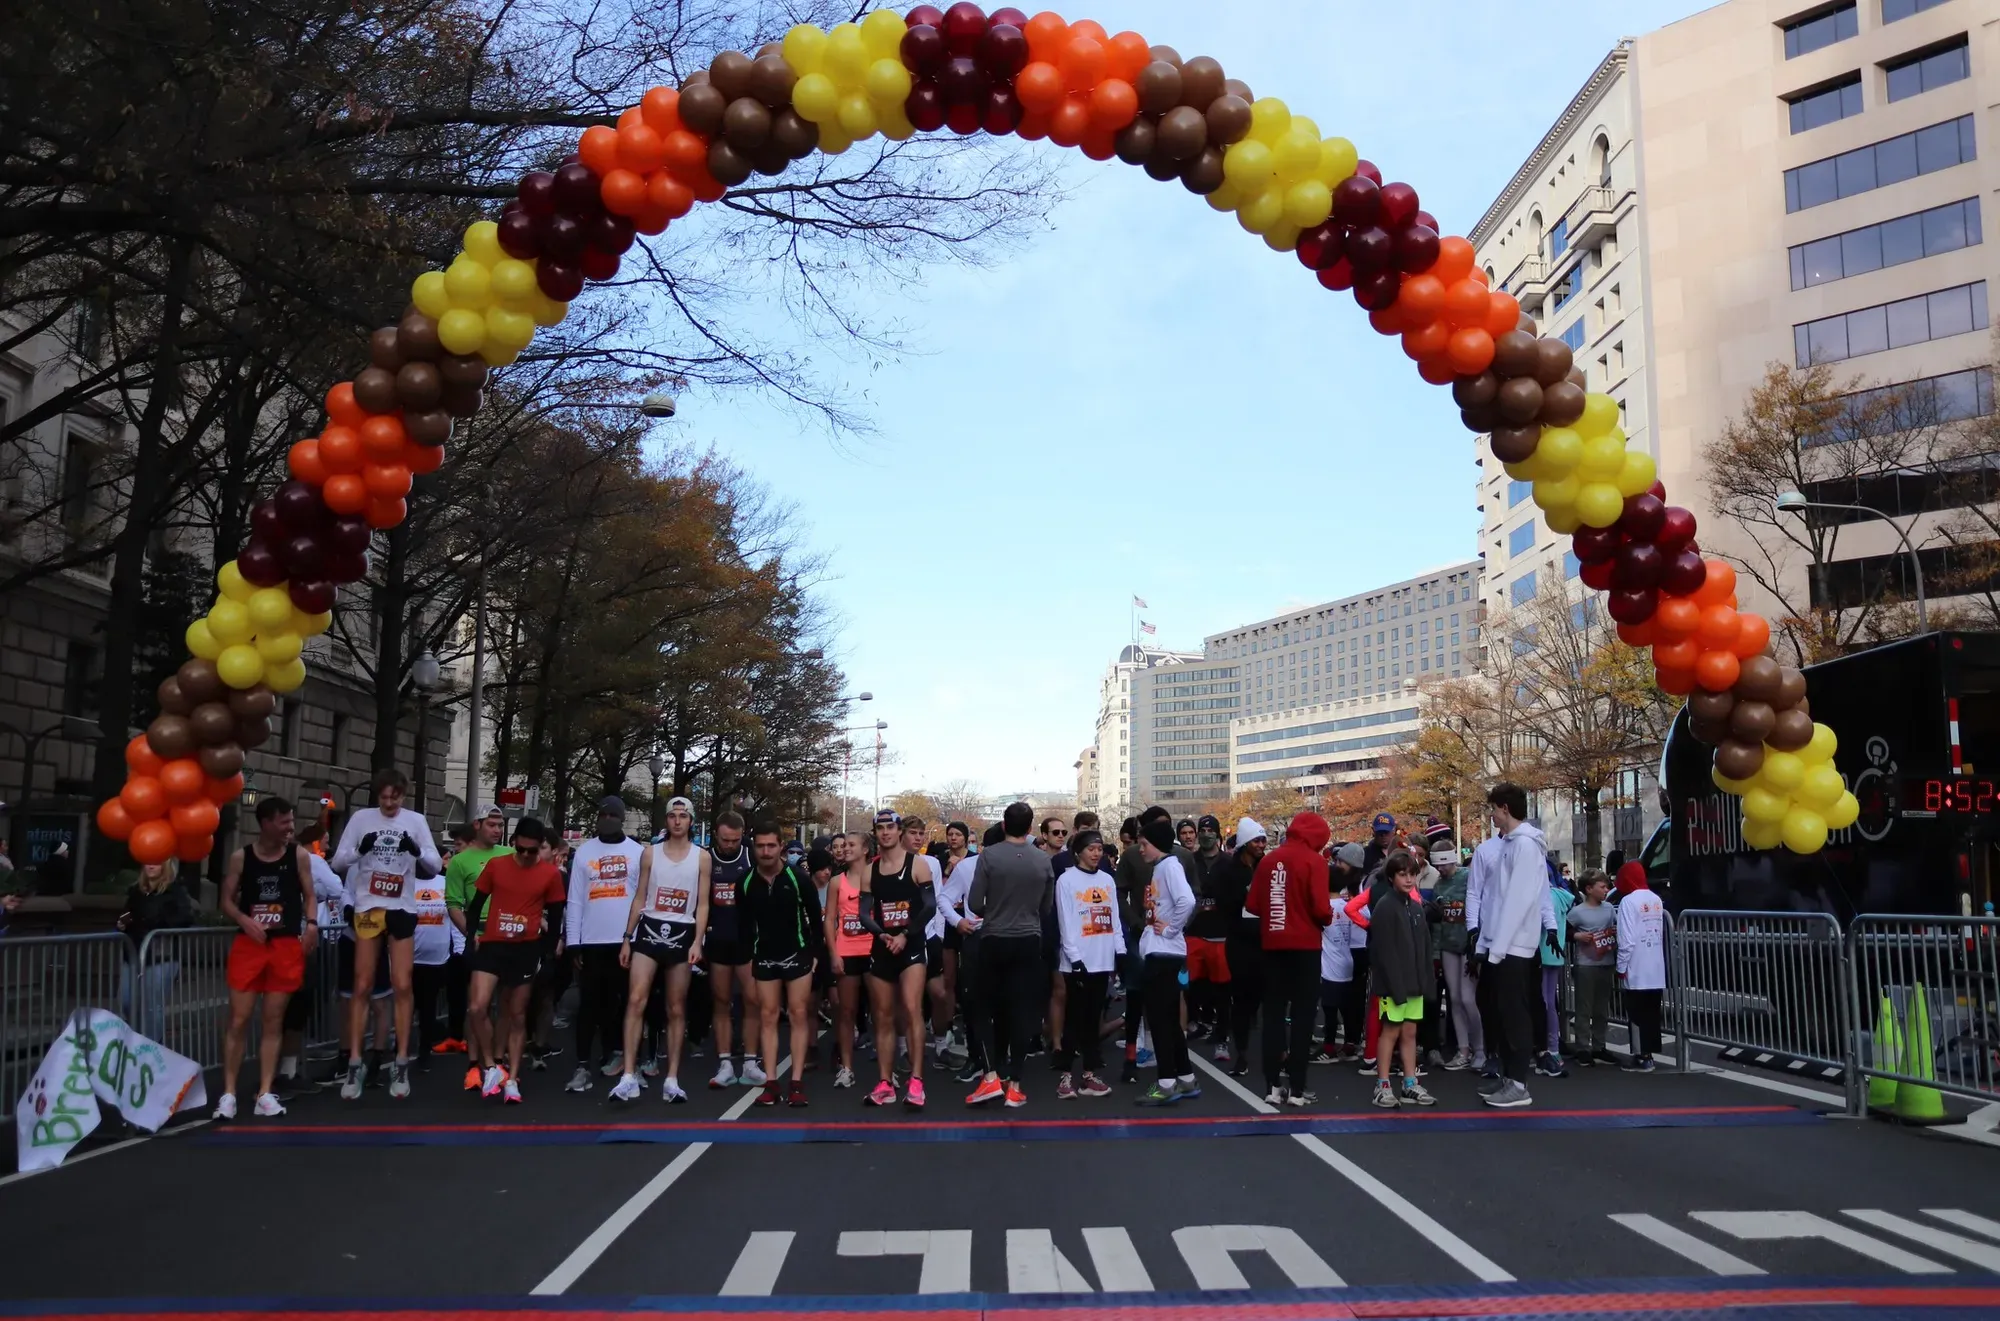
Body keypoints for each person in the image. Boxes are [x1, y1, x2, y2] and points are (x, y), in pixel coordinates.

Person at [330, 768, 442, 1101]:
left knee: (403, 985)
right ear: (377, 796)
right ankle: (354, 1062)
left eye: (395, 797)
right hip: (368, 907)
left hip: (402, 909)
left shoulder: (416, 820)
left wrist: (417, 851)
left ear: (403, 796)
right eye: (384, 797)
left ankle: (401, 1061)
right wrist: (359, 851)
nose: (389, 803)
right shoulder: (361, 819)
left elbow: (435, 865)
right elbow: (337, 864)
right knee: (362, 985)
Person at [215, 796, 318, 1119]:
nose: (290, 827)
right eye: (284, 822)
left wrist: (312, 924)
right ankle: (229, 1093)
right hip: (250, 945)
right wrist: (244, 919)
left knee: (274, 1020)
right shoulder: (241, 858)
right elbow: (226, 900)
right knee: (239, 1018)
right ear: (266, 823)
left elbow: (310, 895)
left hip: (285, 944)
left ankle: (264, 1092)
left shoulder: (298, 855)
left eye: (291, 821)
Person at [610, 796, 709, 1103]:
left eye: (683, 815)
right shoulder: (650, 854)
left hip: (682, 932)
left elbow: (703, 903)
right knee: (636, 999)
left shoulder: (702, 857)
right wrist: (627, 936)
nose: (677, 820)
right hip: (650, 930)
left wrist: (697, 941)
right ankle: (628, 1076)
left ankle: (672, 1079)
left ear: (691, 821)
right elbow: (639, 897)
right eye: (672, 816)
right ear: (666, 820)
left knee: (676, 1008)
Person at [464, 817, 566, 1103]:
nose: (525, 856)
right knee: (476, 1007)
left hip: (525, 948)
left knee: (517, 1014)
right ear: (514, 843)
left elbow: (556, 918)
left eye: (532, 851)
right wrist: (471, 937)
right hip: (493, 944)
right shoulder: (497, 866)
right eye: (520, 849)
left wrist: (547, 953)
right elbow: (475, 907)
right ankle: (491, 1065)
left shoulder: (550, 874)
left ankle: (512, 1079)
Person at [1472, 783, 1554, 1109]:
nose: (1491, 815)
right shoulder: (1508, 845)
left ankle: (1519, 1084)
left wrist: (1498, 947)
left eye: (1493, 808)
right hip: (1500, 944)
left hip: (1513, 948)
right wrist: (1486, 941)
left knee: (1515, 1014)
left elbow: (1518, 900)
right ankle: (1510, 1078)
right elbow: (1495, 899)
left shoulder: (1526, 847)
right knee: (1500, 1013)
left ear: (1505, 808)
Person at [964, 802, 1051, 1107]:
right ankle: (1015, 1083)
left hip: (995, 937)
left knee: (982, 1007)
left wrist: (997, 909)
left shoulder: (988, 855)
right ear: (1030, 828)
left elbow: (974, 903)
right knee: (1022, 1010)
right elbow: (1045, 907)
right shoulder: (1042, 860)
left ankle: (990, 1077)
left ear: (1003, 825)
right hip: (1028, 938)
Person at [1249, 811, 1333, 1107]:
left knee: (1272, 1015)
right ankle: (1297, 1089)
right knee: (1303, 1016)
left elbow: (1254, 905)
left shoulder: (1269, 860)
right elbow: (1322, 909)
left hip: (1272, 944)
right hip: (1306, 946)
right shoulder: (1315, 862)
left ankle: (1272, 1085)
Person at [1346, 849, 1439, 1109]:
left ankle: (1410, 1082)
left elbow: (1424, 948)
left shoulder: (1416, 908)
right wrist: (1395, 986)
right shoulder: (1386, 907)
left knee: (1410, 1031)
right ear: (1391, 877)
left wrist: (1426, 982)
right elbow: (1383, 953)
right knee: (1390, 1031)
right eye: (1402, 875)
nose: (1408, 880)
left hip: (1413, 983)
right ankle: (1383, 1084)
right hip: (1392, 984)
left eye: (1412, 874)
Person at [859, 809, 937, 1108]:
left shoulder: (917, 865)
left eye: (891, 827)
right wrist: (882, 935)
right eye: (880, 828)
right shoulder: (870, 871)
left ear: (899, 830)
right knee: (882, 1015)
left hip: (912, 944)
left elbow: (928, 907)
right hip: (884, 945)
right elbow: (864, 913)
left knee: (911, 1009)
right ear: (875, 833)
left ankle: (916, 1081)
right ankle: (884, 1082)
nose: (886, 833)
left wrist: (904, 934)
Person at [566, 797, 644, 1092]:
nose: (607, 818)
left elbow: (642, 900)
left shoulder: (637, 853)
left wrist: (636, 938)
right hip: (592, 941)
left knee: (627, 1005)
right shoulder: (585, 852)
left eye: (613, 814)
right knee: (589, 1006)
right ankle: (582, 1065)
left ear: (622, 818)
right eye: (602, 814)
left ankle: (625, 1061)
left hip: (626, 942)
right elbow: (574, 900)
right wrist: (574, 942)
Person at [744, 823, 823, 1106]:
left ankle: (797, 1082)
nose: (765, 851)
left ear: (781, 848)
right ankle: (772, 1082)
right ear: (754, 848)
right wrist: (749, 956)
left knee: (798, 1013)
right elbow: (743, 924)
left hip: (797, 953)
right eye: (760, 846)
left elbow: (816, 918)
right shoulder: (747, 881)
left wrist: (816, 954)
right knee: (768, 1015)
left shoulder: (798, 878)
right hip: (764, 955)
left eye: (771, 846)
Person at [444, 805, 509, 1088]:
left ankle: (498, 1061)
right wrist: (470, 934)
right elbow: (454, 904)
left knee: (507, 1006)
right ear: (477, 825)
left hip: (508, 935)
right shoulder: (460, 861)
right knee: (476, 1006)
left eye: (500, 825)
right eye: (492, 824)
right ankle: (475, 1065)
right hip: (479, 935)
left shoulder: (511, 856)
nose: (497, 829)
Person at [1052, 828, 1120, 1098]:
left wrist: (1120, 950)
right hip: (1078, 961)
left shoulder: (1107, 880)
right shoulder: (1066, 880)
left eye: (1099, 849)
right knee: (1074, 1019)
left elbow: (1113, 917)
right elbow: (1065, 921)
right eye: (1091, 849)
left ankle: (1089, 1075)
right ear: (1078, 851)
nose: (1096, 854)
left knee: (1093, 1020)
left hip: (1103, 959)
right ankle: (1065, 1077)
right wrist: (1074, 956)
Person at [1133, 816, 1196, 1106]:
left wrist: (1170, 928)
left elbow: (1188, 900)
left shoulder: (1169, 866)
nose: (1140, 849)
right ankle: (1185, 1078)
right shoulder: (1162, 867)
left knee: (1159, 1019)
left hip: (1164, 952)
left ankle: (1167, 1082)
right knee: (1169, 1019)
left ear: (1156, 844)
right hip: (1163, 951)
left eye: (1144, 844)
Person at [703, 810, 757, 1087]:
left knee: (751, 1000)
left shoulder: (751, 855)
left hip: (746, 939)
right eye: (725, 840)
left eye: (735, 840)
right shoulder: (706, 858)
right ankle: (725, 1062)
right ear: (716, 835)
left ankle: (750, 1060)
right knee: (722, 1000)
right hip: (718, 939)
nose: (730, 845)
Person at [119, 856, 192, 1042]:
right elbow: (127, 912)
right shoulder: (136, 890)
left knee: (152, 1006)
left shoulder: (174, 891)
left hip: (161, 956)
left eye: (157, 861)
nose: (151, 864)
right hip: (133, 953)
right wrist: (122, 921)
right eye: (148, 860)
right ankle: (136, 1041)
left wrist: (158, 923)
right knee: (127, 1000)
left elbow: (185, 919)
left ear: (166, 865)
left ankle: (151, 1048)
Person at [1217, 818, 1268, 1076]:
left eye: (1263, 840)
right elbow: (1224, 903)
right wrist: (1245, 897)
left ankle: (1269, 1050)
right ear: (1245, 843)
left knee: (1261, 998)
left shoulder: (1266, 867)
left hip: (1263, 941)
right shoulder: (1230, 869)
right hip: (1239, 941)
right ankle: (1242, 1054)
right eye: (1257, 841)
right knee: (1241, 1000)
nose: (1261, 845)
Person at [824, 832, 874, 1088]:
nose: (844, 849)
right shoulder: (836, 882)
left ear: (865, 850)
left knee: (882, 1011)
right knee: (846, 1012)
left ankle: (888, 1071)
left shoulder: (877, 877)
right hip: (847, 951)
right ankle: (846, 1067)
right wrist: (833, 953)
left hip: (874, 950)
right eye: (842, 845)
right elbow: (830, 919)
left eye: (851, 845)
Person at [1428, 833, 1480, 1071]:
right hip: (1449, 945)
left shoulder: (1468, 878)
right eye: (1437, 865)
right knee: (1455, 999)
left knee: (1469, 999)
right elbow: (1439, 922)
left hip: (1468, 945)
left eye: (1444, 863)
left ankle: (1480, 1049)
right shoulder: (1439, 883)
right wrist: (1437, 954)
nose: (1441, 869)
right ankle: (1463, 1049)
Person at [1615, 861, 1666, 1072]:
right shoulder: (1656, 899)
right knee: (1652, 1011)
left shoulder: (1628, 901)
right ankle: (1650, 1054)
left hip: (1636, 964)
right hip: (1655, 963)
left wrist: (1621, 965)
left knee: (1636, 1012)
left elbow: (1626, 938)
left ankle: (1641, 1056)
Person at [1567, 869, 1618, 1066]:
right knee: (1584, 1007)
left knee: (1602, 1008)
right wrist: (1577, 936)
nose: (1606, 890)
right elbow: (1566, 929)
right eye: (1602, 886)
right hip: (1585, 964)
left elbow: (1614, 928)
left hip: (1606, 962)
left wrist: (1613, 933)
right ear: (1589, 889)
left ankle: (1599, 1046)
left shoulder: (1609, 909)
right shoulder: (1578, 911)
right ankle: (1582, 1047)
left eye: (1607, 886)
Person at [1538, 865, 1575, 1077]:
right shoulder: (1560, 896)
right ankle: (1552, 1049)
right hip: (1553, 954)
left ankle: (1551, 1049)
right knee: (1548, 1001)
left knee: (1545, 1003)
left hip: (1542, 953)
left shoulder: (1546, 898)